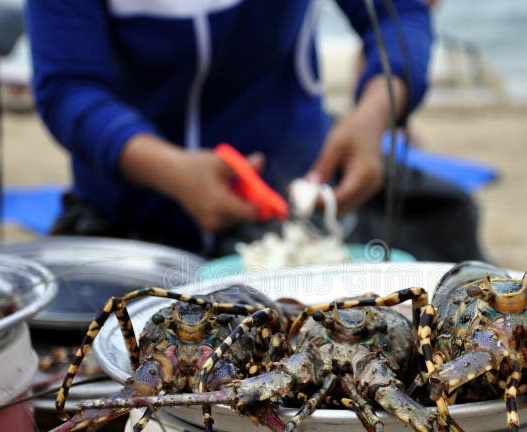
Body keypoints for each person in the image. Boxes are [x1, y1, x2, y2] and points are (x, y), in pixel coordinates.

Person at [25, 1, 436, 257]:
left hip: (289, 228)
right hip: (129, 229)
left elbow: (399, 13)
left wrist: (375, 113)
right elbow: (67, 86)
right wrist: (170, 170)